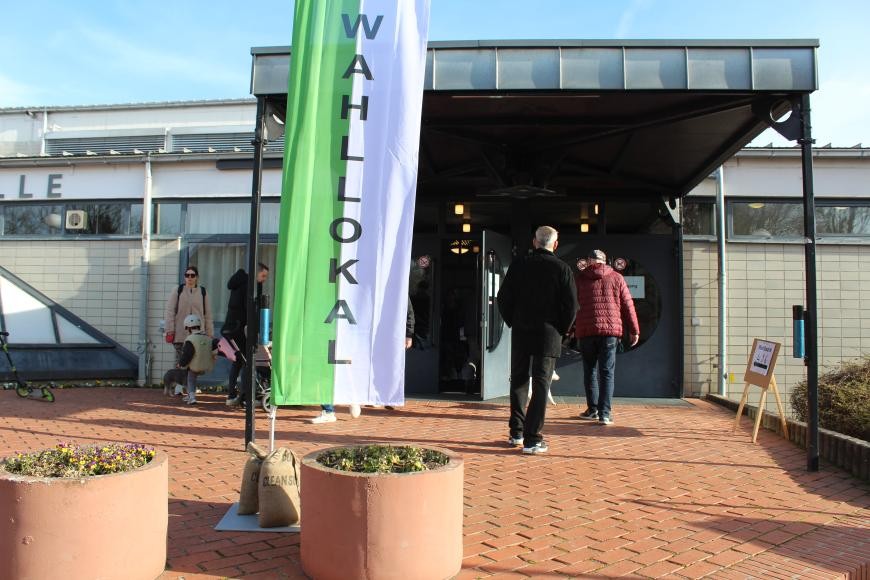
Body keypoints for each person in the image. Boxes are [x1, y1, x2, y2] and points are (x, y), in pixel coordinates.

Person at [497, 226, 578, 454]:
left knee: (519, 379)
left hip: (522, 330)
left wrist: (513, 320)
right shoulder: (562, 268)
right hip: (549, 332)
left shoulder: (518, 265)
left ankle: (517, 432)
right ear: (555, 243)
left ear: (534, 242)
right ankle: (533, 438)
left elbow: (503, 298)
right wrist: (561, 328)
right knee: (542, 383)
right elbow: (571, 306)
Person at [311, 297, 414, 423]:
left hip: (354, 330)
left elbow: (406, 308)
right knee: (328, 368)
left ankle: (350, 397)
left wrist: (408, 333)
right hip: (335, 327)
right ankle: (332, 408)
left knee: (342, 367)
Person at [573, 249, 640, 425]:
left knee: (590, 371)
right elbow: (628, 305)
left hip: (587, 331)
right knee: (607, 372)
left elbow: (572, 305)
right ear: (605, 261)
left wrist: (569, 328)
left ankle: (593, 409)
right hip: (610, 332)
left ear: (589, 261)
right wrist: (634, 330)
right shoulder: (617, 277)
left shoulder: (580, 279)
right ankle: (605, 413)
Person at [222, 263, 269, 407]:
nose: (265, 279)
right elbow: (250, 311)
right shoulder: (249, 286)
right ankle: (245, 397)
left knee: (238, 361)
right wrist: (257, 331)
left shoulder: (242, 283)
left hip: (232, 328)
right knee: (248, 361)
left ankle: (232, 396)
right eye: (263, 275)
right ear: (256, 273)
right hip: (239, 329)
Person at [162, 314, 218, 405]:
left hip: (195, 365)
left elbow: (187, 354)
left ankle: (192, 397)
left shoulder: (190, 339)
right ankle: (189, 394)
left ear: (188, 328)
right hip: (206, 364)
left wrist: (181, 364)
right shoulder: (207, 338)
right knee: (193, 378)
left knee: (190, 378)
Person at [165, 266, 214, 368]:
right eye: (187, 275)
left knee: (195, 364)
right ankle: (179, 383)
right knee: (181, 363)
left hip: (198, 336)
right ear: (184, 277)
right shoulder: (178, 291)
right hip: (180, 334)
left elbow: (208, 315)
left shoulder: (203, 292)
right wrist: (170, 330)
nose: (190, 278)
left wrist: (210, 334)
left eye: (192, 275)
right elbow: (170, 312)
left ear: (197, 277)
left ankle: (189, 384)